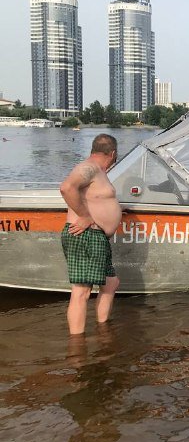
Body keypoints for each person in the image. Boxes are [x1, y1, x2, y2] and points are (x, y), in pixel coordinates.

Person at [59, 134, 123, 335]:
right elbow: (67, 187)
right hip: (86, 235)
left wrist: (115, 210)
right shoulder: (89, 168)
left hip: (98, 238)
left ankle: (103, 330)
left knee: (111, 282)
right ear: (112, 153)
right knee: (81, 292)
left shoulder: (98, 172)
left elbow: (96, 198)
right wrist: (85, 216)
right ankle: (77, 348)